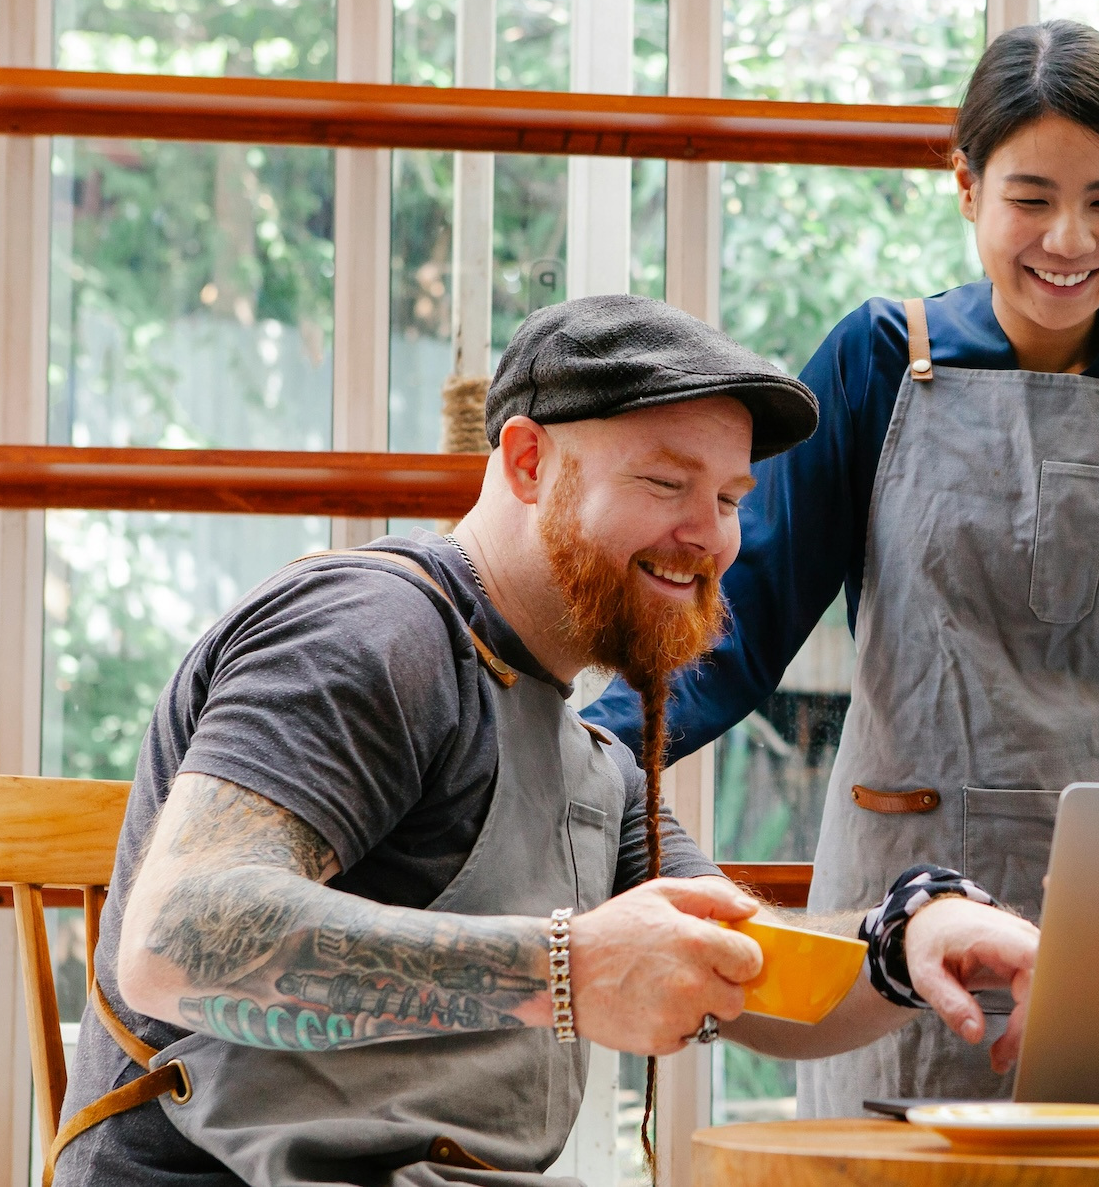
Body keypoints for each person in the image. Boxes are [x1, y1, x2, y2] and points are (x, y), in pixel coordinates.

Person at [59, 296, 1041, 1187]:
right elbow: (176, 940)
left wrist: (906, 940)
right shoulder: (370, 632)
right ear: (527, 462)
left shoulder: (590, 760)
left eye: (732, 499)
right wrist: (568, 971)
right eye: (666, 482)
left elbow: (748, 975)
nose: (710, 536)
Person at [583, 19, 1099, 1116]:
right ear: (966, 188)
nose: (1069, 239)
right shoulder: (877, 358)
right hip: (898, 900)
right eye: (1030, 197)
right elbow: (737, 626)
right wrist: (586, 745)